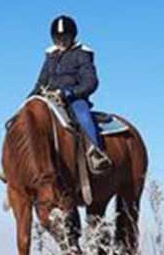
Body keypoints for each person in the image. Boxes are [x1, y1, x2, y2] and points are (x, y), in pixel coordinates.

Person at [29, 15, 112, 174]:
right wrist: (30, 99)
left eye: (65, 37)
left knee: (83, 114)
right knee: (22, 119)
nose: (61, 42)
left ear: (72, 36)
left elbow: (91, 82)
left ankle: (96, 152)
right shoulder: (50, 56)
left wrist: (69, 92)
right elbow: (41, 82)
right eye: (57, 38)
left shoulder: (82, 54)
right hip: (49, 99)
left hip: (73, 99)